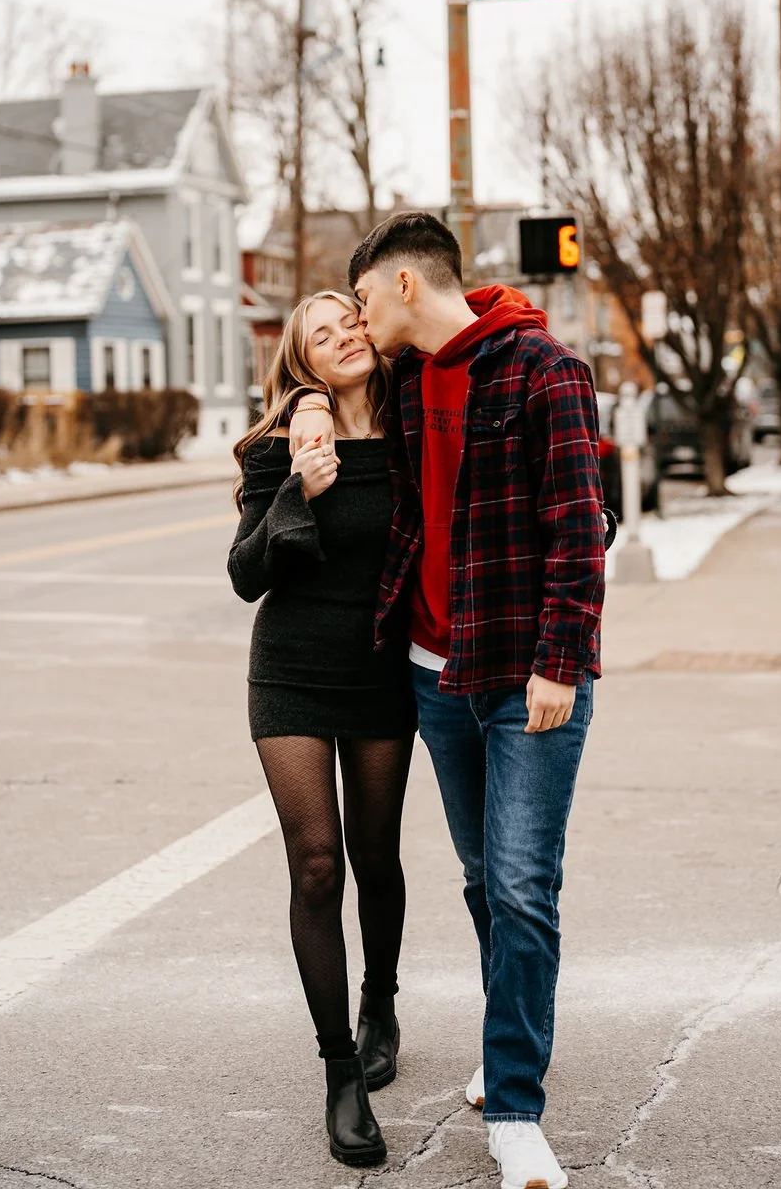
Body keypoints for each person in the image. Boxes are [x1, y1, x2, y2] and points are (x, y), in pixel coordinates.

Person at [290, 214, 605, 1189]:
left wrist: (561, 661)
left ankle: (514, 1109)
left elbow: (580, 527)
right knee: (482, 879)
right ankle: (502, 1037)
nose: (356, 320)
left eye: (361, 301)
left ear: (400, 288)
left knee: (520, 887)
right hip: (433, 678)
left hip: (528, 681)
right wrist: (305, 405)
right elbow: (326, 393)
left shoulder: (541, 369)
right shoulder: (415, 377)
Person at [227, 290, 415, 1170]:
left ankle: (381, 1001)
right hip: (292, 672)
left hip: (380, 668)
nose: (343, 340)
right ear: (303, 361)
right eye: (321, 337)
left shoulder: (412, 428)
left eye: (351, 325)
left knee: (377, 856)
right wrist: (299, 486)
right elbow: (246, 575)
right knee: (316, 864)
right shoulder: (283, 446)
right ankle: (340, 1072)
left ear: (374, 336)